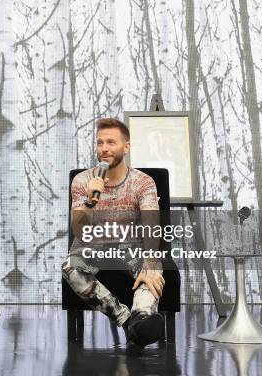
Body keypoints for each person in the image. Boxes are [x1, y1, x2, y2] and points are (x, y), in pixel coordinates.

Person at [62, 118, 165, 352]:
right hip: (92, 248)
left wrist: (150, 262)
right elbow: (79, 231)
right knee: (70, 266)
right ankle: (130, 322)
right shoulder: (83, 181)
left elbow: (151, 223)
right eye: (100, 143)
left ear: (126, 147)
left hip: (130, 248)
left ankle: (143, 317)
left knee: (152, 268)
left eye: (111, 142)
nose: (104, 148)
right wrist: (89, 201)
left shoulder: (143, 182)